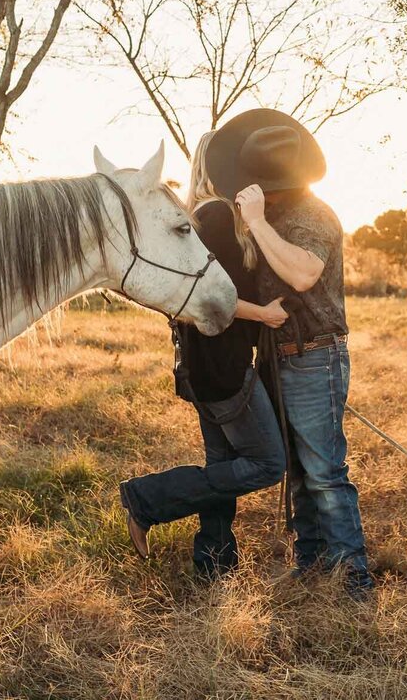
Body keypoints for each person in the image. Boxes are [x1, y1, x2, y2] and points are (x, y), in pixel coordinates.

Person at [206, 108, 375, 598]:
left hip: (314, 355)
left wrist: (257, 223)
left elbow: (303, 274)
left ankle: (353, 579)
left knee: (324, 472)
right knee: (298, 471)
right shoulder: (274, 215)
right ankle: (312, 562)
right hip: (278, 356)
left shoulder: (312, 216)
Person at [118, 132, 289, 581]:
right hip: (222, 364)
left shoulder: (203, 215)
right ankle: (146, 499)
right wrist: (266, 315)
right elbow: (214, 299)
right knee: (268, 464)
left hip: (205, 365)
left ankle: (214, 561)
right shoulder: (215, 217)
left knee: (223, 466)